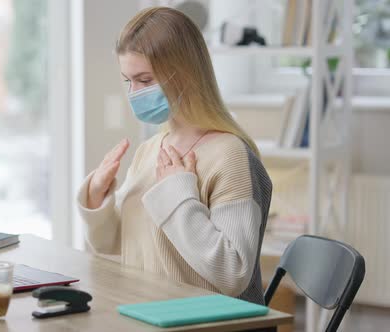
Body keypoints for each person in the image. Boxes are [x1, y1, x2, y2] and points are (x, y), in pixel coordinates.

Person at [77, 7, 272, 306]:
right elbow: (119, 247)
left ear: (186, 74)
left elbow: (233, 273)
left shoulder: (230, 155)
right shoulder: (150, 150)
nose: (134, 93)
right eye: (128, 81)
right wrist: (97, 199)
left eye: (144, 80)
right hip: (145, 313)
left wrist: (177, 194)